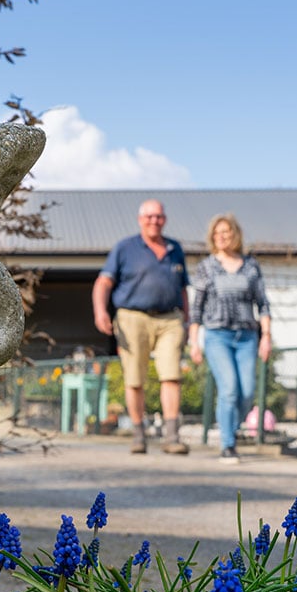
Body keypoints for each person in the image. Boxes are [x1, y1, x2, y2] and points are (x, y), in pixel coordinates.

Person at [92, 199, 190, 454]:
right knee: (135, 378)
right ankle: (139, 434)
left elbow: (182, 288)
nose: (154, 221)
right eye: (149, 216)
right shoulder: (125, 248)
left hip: (170, 318)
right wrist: (101, 311)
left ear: (164, 219)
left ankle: (171, 437)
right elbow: (103, 283)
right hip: (132, 317)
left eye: (158, 216)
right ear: (140, 219)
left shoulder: (175, 248)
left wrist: (187, 320)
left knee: (171, 376)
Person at [187, 213, 272, 464]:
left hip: (247, 336)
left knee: (246, 392)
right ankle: (228, 444)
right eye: (217, 233)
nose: (222, 237)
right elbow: (197, 308)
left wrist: (266, 336)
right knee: (229, 389)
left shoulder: (250, 266)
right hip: (217, 335)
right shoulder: (207, 267)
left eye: (226, 232)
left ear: (235, 234)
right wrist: (194, 342)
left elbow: (263, 304)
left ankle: (230, 428)